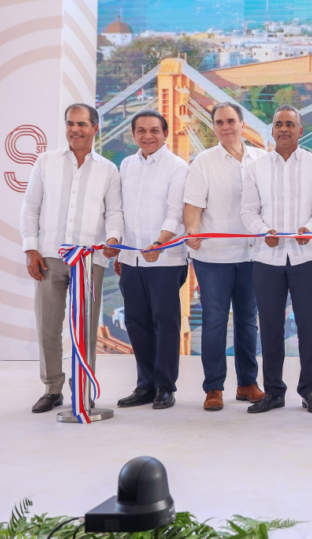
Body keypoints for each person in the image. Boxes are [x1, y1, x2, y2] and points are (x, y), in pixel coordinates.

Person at [21, 104, 123, 413]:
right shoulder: (45, 161)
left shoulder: (108, 169)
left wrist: (115, 239)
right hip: (49, 257)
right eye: (69, 123)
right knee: (48, 327)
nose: (74, 129)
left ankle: (83, 389)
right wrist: (31, 248)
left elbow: (115, 212)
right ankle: (52, 389)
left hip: (89, 261)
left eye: (81, 124)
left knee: (87, 332)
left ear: (95, 128)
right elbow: (30, 207)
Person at [240, 105, 312, 414]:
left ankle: (310, 391)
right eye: (278, 123)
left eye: (290, 124)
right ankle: (274, 392)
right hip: (267, 257)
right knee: (269, 327)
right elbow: (248, 211)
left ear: (301, 131)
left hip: (306, 255)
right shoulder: (256, 168)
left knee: (308, 325)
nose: (283, 129)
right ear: (272, 130)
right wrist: (263, 230)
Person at [184, 102, 267, 412]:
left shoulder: (262, 160)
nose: (226, 126)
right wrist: (192, 230)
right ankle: (214, 388)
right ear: (214, 127)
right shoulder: (202, 163)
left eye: (231, 120)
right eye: (219, 122)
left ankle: (247, 384)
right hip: (213, 257)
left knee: (248, 322)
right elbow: (193, 205)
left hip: (253, 255)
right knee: (215, 322)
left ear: (242, 124)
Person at [116, 110, 189, 410]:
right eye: (141, 130)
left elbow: (175, 212)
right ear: (133, 135)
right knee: (136, 322)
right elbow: (118, 209)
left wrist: (160, 242)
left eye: (155, 130)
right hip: (131, 259)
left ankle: (165, 386)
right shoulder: (126, 165)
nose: (148, 136)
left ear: (165, 133)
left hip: (166, 259)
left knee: (166, 323)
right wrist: (118, 246)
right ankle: (144, 385)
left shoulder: (178, 167)